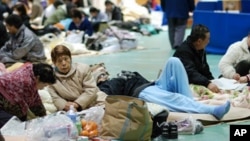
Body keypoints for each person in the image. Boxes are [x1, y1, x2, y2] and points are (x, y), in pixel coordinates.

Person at [93, 57, 230, 120]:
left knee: (174, 61)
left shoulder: (121, 74)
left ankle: (188, 101)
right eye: (100, 74)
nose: (104, 74)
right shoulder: (106, 86)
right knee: (173, 97)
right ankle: (211, 110)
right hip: (141, 92)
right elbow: (102, 98)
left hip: (153, 85)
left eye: (104, 72)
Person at [47, 45, 107, 112]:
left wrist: (77, 104)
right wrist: (66, 106)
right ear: (54, 62)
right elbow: (55, 97)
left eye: (66, 59)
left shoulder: (83, 69)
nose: (63, 63)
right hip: (70, 107)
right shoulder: (51, 78)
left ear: (70, 58)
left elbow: (91, 89)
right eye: (59, 61)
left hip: (93, 100)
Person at [0, 62, 56, 128]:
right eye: (44, 85)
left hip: (5, 99)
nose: (42, 88)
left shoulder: (30, 73)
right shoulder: (26, 82)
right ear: (38, 78)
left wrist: (44, 117)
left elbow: (36, 100)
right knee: (14, 125)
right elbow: (20, 108)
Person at [173, 24, 220, 93]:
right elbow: (191, 73)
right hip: (180, 82)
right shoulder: (184, 51)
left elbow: (205, 69)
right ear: (199, 41)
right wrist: (207, 83)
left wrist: (212, 80)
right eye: (208, 39)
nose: (208, 42)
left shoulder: (200, 49)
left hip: (192, 80)